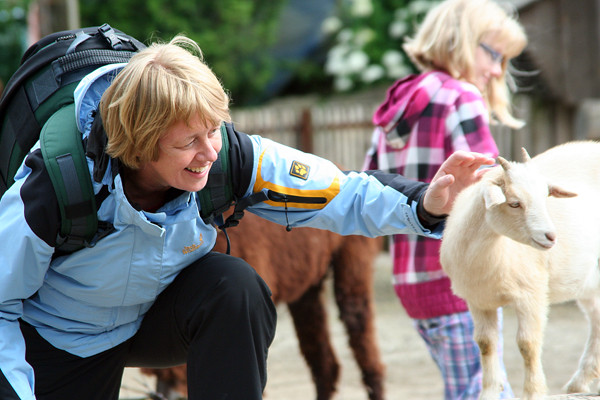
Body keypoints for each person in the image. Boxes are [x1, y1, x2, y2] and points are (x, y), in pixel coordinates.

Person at [0, 34, 494, 400]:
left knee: (234, 285)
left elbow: (339, 192)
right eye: (187, 142)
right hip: (63, 336)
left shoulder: (227, 158)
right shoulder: (57, 186)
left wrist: (427, 202)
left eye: (214, 130)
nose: (209, 151)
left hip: (152, 318)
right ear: (141, 143)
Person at [362, 0, 527, 398]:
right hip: (461, 279)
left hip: (411, 282)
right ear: (463, 42)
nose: (496, 71)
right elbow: (492, 186)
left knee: (467, 385)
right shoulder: (461, 97)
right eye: (494, 54)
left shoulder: (396, 104)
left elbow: (369, 184)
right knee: (484, 389)